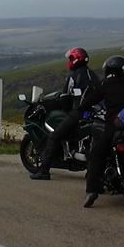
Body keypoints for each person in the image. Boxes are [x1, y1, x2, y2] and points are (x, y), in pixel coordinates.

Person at [79, 55, 124, 208]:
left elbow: (89, 101)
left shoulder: (105, 84)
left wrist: (81, 108)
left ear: (109, 70)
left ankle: (92, 191)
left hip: (116, 125)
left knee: (96, 154)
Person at [30, 47, 99, 180]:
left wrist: (66, 108)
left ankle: (44, 171)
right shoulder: (93, 75)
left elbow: (65, 97)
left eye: (71, 58)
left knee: (54, 136)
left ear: (76, 60)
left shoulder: (74, 76)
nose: (69, 61)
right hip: (95, 113)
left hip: (79, 113)